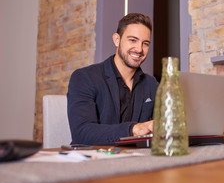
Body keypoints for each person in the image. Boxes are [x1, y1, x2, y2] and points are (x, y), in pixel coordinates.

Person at [67, 13, 158, 145]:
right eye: (132, 40)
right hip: (94, 160)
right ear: (117, 40)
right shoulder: (84, 78)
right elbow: (82, 133)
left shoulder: (151, 84)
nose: (139, 49)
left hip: (136, 159)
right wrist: (134, 129)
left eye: (145, 43)